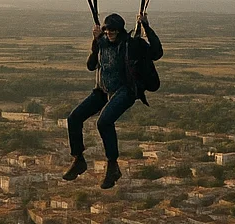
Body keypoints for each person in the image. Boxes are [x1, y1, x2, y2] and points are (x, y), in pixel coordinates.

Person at [63, 11, 163, 190]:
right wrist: (94, 42)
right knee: (74, 118)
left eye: (114, 31)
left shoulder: (131, 45)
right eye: (107, 30)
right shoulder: (101, 43)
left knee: (104, 122)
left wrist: (146, 26)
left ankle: (112, 166)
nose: (110, 33)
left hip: (125, 90)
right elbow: (91, 65)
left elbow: (156, 52)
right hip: (102, 91)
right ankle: (78, 159)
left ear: (120, 31)